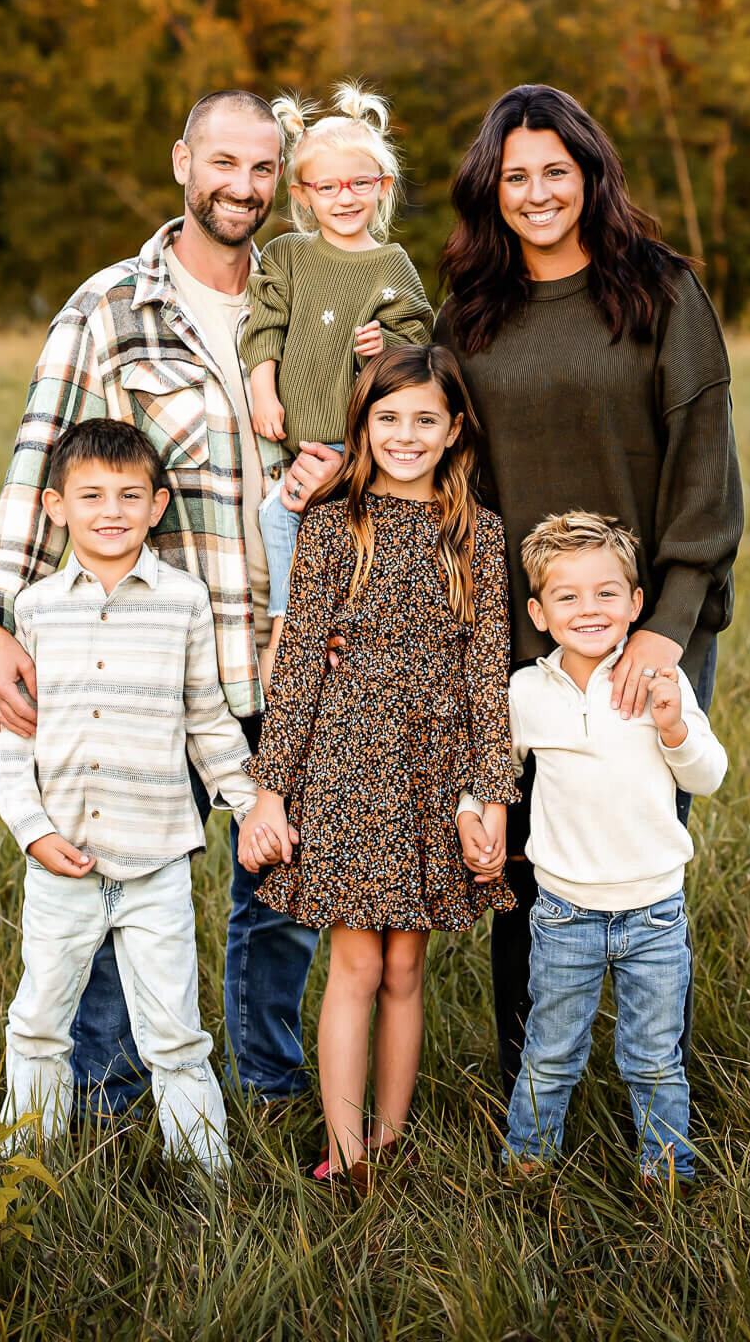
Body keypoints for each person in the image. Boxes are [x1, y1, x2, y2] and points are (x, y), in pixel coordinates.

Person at [0, 90, 345, 1114]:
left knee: (282, 882)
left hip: (288, 645)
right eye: (224, 163)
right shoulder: (109, 306)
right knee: (116, 873)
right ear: (182, 160)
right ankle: (112, 1094)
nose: (242, 188)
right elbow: (42, 456)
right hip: (155, 654)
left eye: (263, 169)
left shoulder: (309, 295)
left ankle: (268, 1081)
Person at [431, 84, 743, 1097]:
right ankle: (536, 1089)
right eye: (515, 175)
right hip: (519, 637)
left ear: (590, 174)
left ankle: (660, 1086)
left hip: (645, 628)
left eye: (555, 171)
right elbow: (439, 471)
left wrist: (666, 625)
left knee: (644, 847)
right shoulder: (470, 314)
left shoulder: (659, 291)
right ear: (492, 187)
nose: (536, 192)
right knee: (524, 869)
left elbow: (703, 465)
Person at [236, 344, 517, 1189]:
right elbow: (292, 671)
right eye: (387, 418)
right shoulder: (333, 525)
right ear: (362, 424)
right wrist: (269, 789)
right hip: (349, 764)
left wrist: (492, 795)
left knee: (407, 965)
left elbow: (486, 672)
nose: (405, 434)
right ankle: (346, 1151)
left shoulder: (476, 533)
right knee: (356, 962)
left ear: (454, 429)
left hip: (437, 769)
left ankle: (392, 1139)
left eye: (424, 419)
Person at [0, 420, 256, 1171]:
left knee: (174, 1030)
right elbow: (12, 741)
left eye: (128, 496)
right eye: (91, 496)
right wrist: (33, 832)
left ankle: (206, 1179)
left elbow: (206, 717)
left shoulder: (182, 602)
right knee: (40, 1021)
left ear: (157, 505)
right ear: (56, 506)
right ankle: (25, 1167)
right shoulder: (36, 610)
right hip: (59, 863)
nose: (110, 511)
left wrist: (248, 803)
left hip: (156, 863)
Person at [458, 511, 726, 1186]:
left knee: (653, 1056)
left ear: (636, 604)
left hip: (653, 911)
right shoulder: (525, 691)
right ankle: (527, 1159)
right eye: (567, 596)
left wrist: (672, 728)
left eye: (607, 593)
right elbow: (488, 769)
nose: (589, 609)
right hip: (564, 914)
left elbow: (707, 776)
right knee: (550, 1050)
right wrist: (471, 813)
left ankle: (665, 1168)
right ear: (538, 613)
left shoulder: (657, 684)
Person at [241, 84, 432, 675]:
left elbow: (419, 343)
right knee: (281, 516)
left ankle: (346, 631)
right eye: (327, 187)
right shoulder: (288, 256)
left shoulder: (392, 263)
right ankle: (289, 623)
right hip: (303, 440)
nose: (344, 198)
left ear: (384, 187)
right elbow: (264, 327)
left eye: (359, 184)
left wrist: (386, 348)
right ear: (302, 193)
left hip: (362, 444)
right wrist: (263, 390)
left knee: (356, 533)